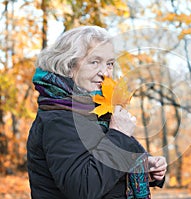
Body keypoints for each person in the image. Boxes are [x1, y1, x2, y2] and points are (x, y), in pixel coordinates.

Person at [27, 25, 167, 199]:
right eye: (94, 62)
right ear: (68, 65)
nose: (105, 73)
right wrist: (119, 136)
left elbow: (100, 167)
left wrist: (144, 167)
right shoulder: (60, 116)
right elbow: (83, 189)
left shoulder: (89, 109)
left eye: (110, 64)